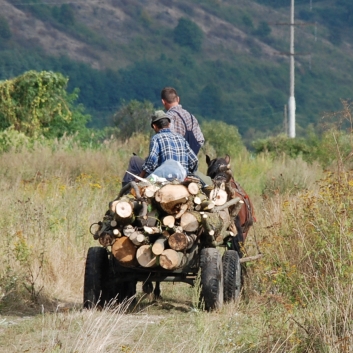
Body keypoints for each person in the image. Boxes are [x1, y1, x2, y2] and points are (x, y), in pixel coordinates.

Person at [122, 110, 198, 185]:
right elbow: (194, 160)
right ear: (169, 124)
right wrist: (187, 173)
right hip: (182, 178)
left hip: (162, 179)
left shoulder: (156, 138)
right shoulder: (181, 138)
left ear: (154, 126)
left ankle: (126, 192)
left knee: (134, 160)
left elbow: (151, 161)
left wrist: (140, 177)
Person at [161, 87, 204, 155]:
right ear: (178, 99)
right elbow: (200, 140)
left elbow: (165, 141)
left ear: (163, 102)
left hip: (173, 161)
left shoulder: (168, 118)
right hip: (191, 162)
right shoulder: (191, 117)